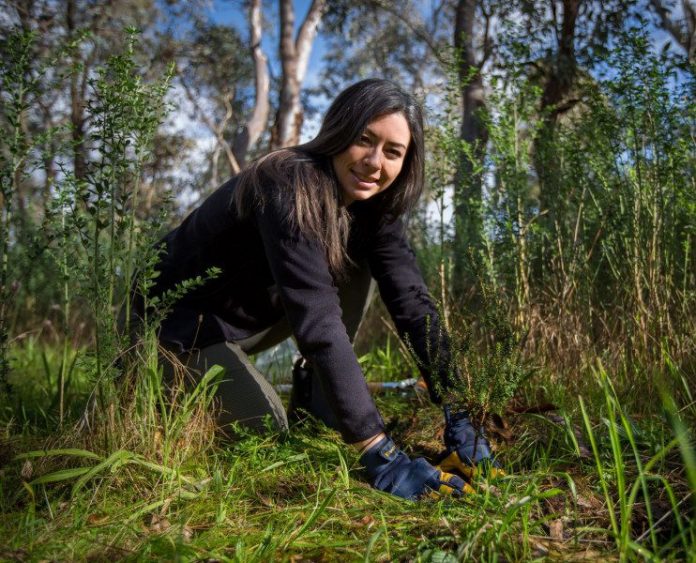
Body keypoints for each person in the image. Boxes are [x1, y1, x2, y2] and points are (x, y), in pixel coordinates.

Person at [141, 78, 500, 500]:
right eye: (364, 139)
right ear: (338, 131)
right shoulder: (286, 183)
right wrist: (379, 451)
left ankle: (319, 398)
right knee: (266, 435)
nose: (373, 162)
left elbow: (412, 302)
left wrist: (459, 409)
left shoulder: (376, 208)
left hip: (249, 318)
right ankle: (157, 379)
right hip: (176, 327)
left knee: (359, 262)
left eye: (392, 151)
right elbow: (319, 320)